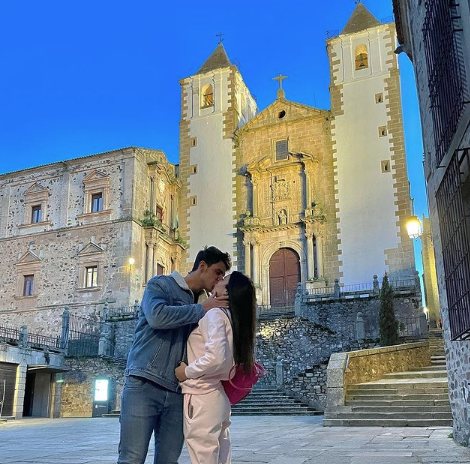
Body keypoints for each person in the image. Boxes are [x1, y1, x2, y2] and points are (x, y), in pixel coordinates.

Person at [117, 246, 231, 464]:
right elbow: (157, 317)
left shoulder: (206, 302)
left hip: (179, 391)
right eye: (217, 272)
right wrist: (203, 309)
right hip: (144, 382)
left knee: (169, 460)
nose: (219, 279)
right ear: (203, 266)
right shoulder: (160, 284)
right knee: (131, 457)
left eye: (223, 276)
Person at [175, 271, 256, 464]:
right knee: (221, 455)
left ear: (227, 292)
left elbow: (216, 357)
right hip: (217, 396)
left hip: (203, 395)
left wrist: (186, 372)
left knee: (203, 455)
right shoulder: (230, 318)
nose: (218, 280)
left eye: (223, 280)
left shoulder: (215, 315)